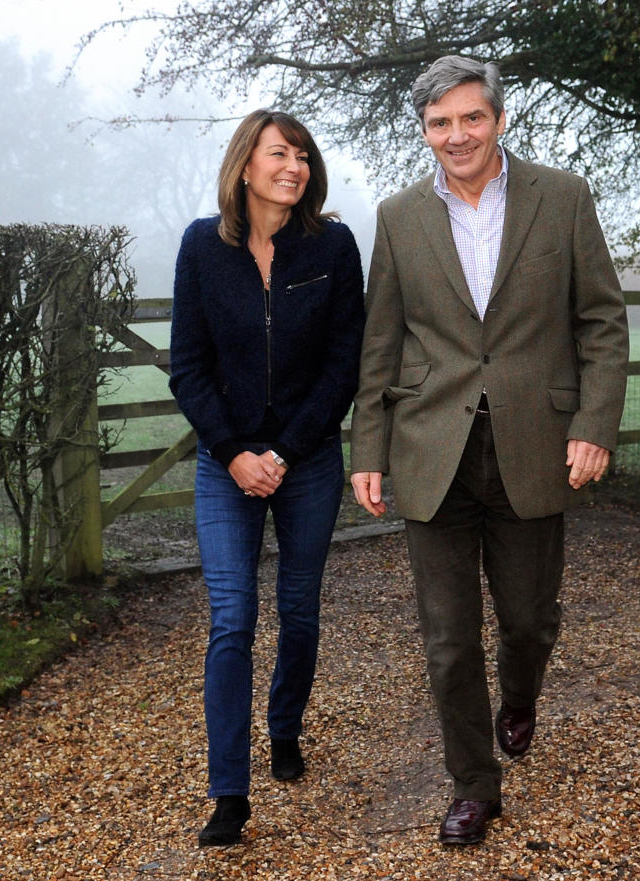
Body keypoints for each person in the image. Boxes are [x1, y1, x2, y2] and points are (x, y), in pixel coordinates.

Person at [349, 56, 629, 846]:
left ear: (499, 120)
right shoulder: (399, 216)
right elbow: (382, 341)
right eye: (440, 122)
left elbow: (602, 321)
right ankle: (476, 784)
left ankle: (521, 692)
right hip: (429, 449)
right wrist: (367, 447)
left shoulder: (562, 197)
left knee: (530, 621)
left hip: (536, 444)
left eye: (471, 118)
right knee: (445, 638)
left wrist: (594, 424)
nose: (457, 134)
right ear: (425, 130)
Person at [169, 109, 365, 847]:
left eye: (303, 157)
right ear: (244, 165)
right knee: (233, 617)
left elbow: (345, 361)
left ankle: (284, 727)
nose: (295, 167)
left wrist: (283, 450)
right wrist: (232, 452)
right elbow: (187, 363)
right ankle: (229, 794)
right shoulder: (201, 246)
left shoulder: (332, 246)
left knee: (299, 607)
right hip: (227, 463)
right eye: (279, 153)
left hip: (307, 457)